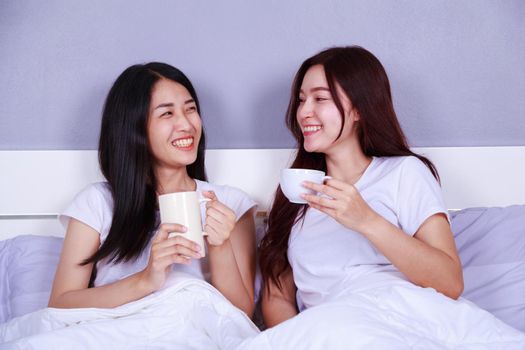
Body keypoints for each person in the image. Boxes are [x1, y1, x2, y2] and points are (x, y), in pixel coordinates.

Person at [258, 46, 524, 345]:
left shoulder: (404, 173)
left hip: (405, 314)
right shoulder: (295, 191)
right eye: (302, 99)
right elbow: (277, 295)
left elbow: (449, 282)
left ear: (359, 108)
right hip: (331, 327)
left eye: (320, 98)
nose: (304, 111)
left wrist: (367, 220)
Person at [48, 63, 256, 317]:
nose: (187, 124)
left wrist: (220, 246)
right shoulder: (97, 203)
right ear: (134, 128)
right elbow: (60, 303)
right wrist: (146, 280)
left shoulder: (231, 203)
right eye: (167, 114)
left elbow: (242, 313)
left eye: (190, 109)